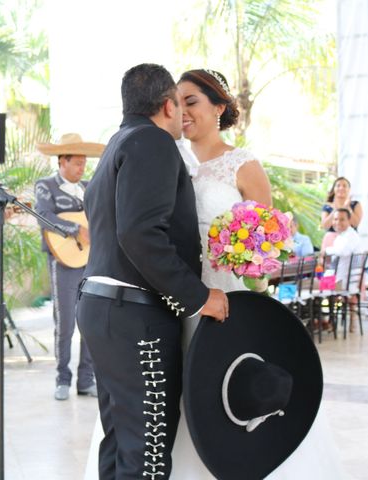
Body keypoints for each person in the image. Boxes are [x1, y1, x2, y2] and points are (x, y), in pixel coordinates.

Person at [167, 68, 346, 478]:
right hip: (178, 289)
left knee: (224, 382)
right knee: (184, 388)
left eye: (191, 101)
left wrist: (248, 260)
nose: (183, 111)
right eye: (177, 103)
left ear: (219, 106)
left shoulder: (242, 163)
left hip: (228, 293)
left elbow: (270, 240)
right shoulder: (169, 158)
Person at [77, 63, 228, 480]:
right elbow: (141, 234)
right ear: (166, 104)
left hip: (102, 309)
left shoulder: (117, 143)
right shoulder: (155, 143)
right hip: (135, 318)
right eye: (179, 103)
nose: (182, 113)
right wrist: (199, 298)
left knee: (121, 444)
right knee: (148, 455)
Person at [35, 133, 104, 401]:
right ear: (62, 162)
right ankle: (62, 378)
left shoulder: (89, 187)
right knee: (64, 323)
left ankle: (86, 380)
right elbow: (43, 216)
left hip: (91, 261)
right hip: (62, 261)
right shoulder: (45, 186)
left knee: (89, 320)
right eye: (77, 163)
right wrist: (76, 229)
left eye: (84, 163)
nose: (82, 168)